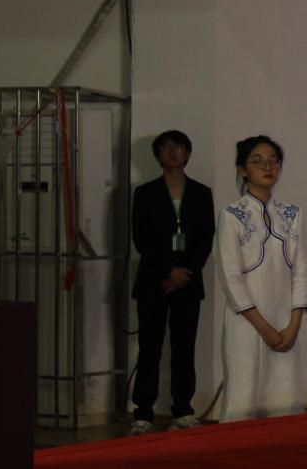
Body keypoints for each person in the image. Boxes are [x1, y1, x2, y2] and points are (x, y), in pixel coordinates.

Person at [216, 135, 307, 421]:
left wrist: (294, 325)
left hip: (285, 322)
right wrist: (264, 328)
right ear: (242, 169)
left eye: (273, 161)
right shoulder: (232, 215)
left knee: (285, 397)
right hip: (247, 322)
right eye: (258, 161)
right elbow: (231, 279)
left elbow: (302, 271)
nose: (267, 167)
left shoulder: (292, 214)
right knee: (244, 396)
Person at [129, 130, 215, 435]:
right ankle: (143, 413)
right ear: (157, 155)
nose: (173, 152)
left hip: (188, 282)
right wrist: (169, 270)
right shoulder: (144, 193)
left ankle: (183, 410)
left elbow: (205, 237)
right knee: (149, 347)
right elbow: (142, 239)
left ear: (188, 154)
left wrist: (185, 270)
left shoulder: (201, 193)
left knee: (184, 347)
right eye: (165, 148)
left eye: (179, 147)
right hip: (154, 280)